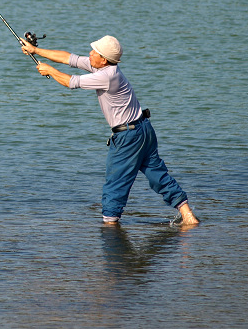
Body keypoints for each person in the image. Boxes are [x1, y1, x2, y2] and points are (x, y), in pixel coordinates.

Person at [20, 35, 200, 225]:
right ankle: (188, 215)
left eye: (94, 52)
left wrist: (49, 70)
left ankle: (111, 230)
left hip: (128, 137)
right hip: (144, 130)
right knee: (157, 174)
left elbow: (70, 82)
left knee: (115, 184)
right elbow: (68, 58)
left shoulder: (106, 76)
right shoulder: (104, 67)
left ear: (103, 59)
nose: (89, 53)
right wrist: (35, 50)